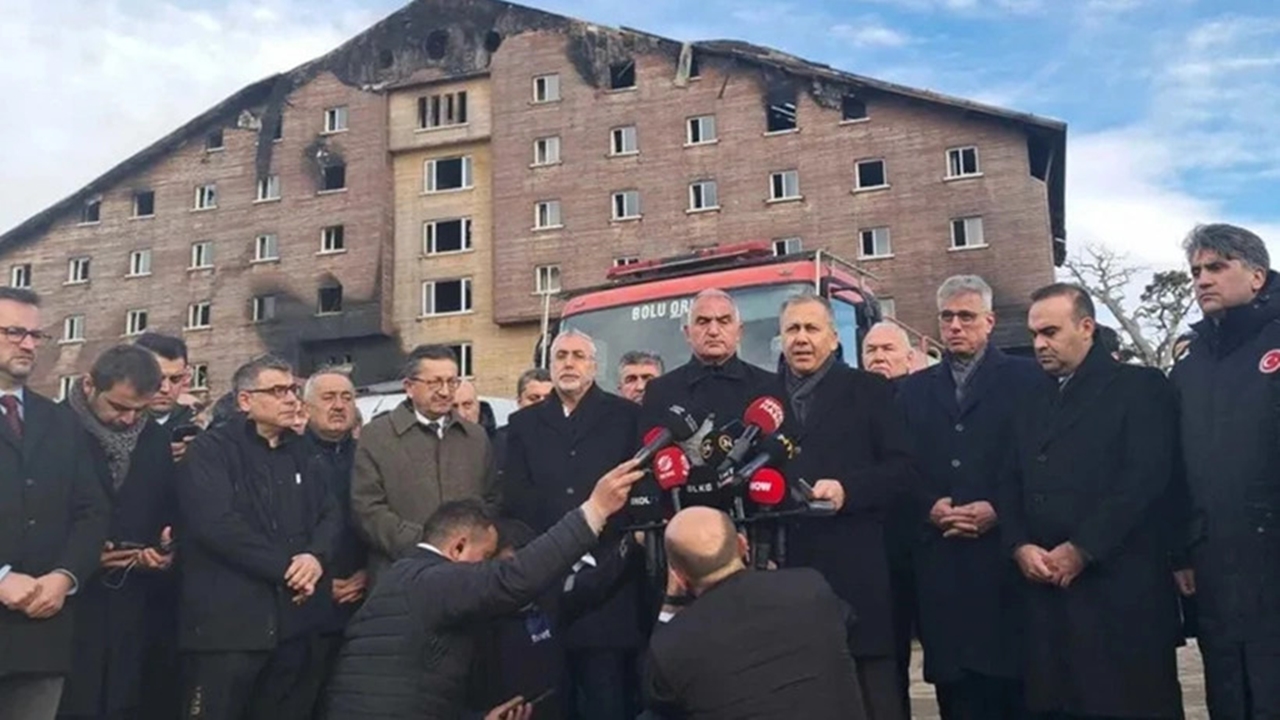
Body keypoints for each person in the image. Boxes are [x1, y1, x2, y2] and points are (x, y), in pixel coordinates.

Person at [322, 459, 646, 720]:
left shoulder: (403, 578)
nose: (489, 566)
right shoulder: (433, 580)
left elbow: (417, 683)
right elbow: (514, 579)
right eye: (487, 557)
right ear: (459, 548)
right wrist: (595, 511)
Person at [1002, 283, 1183, 719]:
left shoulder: (1139, 387)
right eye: (1034, 335)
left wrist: (1083, 548)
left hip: (1120, 592)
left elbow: (1146, 478)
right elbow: (1009, 481)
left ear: (1087, 327)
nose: (1040, 344)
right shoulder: (1029, 400)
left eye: (1050, 331)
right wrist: (1018, 543)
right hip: (1048, 598)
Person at [898, 276, 1045, 720]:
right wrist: (929, 506)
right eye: (947, 317)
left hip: (1006, 570)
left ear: (989, 322)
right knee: (959, 702)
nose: (956, 326)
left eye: (966, 316)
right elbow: (902, 466)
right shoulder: (911, 390)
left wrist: (999, 508)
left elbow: (1042, 460)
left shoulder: (1029, 379)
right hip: (943, 571)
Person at [176, 355, 344, 720]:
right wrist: (287, 569)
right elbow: (217, 525)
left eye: (293, 390)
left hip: (296, 625)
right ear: (245, 400)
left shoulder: (304, 450)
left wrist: (315, 557)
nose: (290, 400)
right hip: (229, 628)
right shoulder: (212, 450)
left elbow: (331, 514)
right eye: (277, 391)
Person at [772, 293, 914, 720]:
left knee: (873, 698)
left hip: (857, 572)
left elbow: (902, 470)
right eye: (792, 329)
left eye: (812, 328)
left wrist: (847, 490)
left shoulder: (869, 391)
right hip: (786, 573)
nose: (801, 339)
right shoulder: (763, 398)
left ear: (834, 339)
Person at [1170, 223, 1280, 718]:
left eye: (1217, 267)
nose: (1202, 280)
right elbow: (1175, 467)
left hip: (1271, 555)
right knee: (1229, 694)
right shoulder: (1190, 366)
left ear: (1257, 275)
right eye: (1195, 271)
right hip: (1213, 559)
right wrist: (1180, 550)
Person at [504, 330, 643, 720]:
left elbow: (636, 492)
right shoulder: (523, 424)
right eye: (561, 355)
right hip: (544, 583)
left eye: (578, 356)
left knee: (607, 699)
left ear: (594, 366)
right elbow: (515, 496)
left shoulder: (626, 417)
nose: (569, 363)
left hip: (609, 582)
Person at [643, 507, 867, 720]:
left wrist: (671, 603)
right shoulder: (809, 586)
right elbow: (846, 623)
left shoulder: (673, 642)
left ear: (679, 577)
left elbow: (656, 693)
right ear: (743, 545)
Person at [0, 287, 108, 720]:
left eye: (36, 335)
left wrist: (64, 577)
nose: (28, 344)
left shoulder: (60, 420)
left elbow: (92, 509)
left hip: (42, 631)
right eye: (13, 332)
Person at [59, 345, 177, 720]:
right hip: (66, 608)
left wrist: (165, 546)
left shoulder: (155, 440)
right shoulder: (53, 429)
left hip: (134, 605)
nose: (128, 420)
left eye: (139, 411)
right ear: (89, 385)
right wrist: (81, 556)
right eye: (119, 407)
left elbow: (166, 505)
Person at [351, 345, 499, 578]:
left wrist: (469, 546)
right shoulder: (377, 436)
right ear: (409, 387)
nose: (444, 391)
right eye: (434, 383)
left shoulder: (475, 437)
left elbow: (491, 500)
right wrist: (429, 547)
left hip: (466, 574)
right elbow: (367, 510)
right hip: (400, 573)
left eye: (452, 382)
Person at [860, 318, 918, 711]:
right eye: (872, 351)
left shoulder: (923, 399)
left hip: (928, 540)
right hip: (878, 551)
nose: (879, 358)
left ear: (909, 357)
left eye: (888, 350)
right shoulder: (856, 400)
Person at [301, 370, 368, 687]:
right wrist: (322, 580)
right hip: (307, 598)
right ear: (306, 406)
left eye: (347, 398)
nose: (339, 406)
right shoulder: (291, 455)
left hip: (363, 594)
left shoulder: (369, 456)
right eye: (328, 398)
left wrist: (368, 571)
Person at [133, 333, 197, 462]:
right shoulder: (111, 424)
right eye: (157, 378)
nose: (166, 389)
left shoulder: (197, 424)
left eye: (176, 379)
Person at [492, 369, 553, 485]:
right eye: (534, 398)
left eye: (549, 399)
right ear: (519, 401)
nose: (542, 404)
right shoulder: (499, 441)